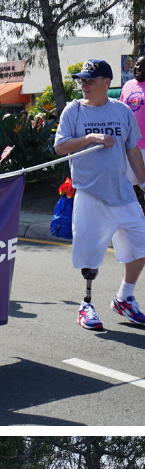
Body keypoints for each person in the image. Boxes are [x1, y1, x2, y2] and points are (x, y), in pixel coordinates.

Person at [55, 59, 145, 332]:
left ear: (107, 82)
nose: (84, 85)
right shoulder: (73, 111)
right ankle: (86, 304)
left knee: (141, 247)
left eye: (90, 80)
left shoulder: (122, 111)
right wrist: (90, 137)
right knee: (90, 255)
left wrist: (143, 183)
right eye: (82, 80)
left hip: (123, 193)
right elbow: (60, 147)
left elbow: (132, 151)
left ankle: (124, 297)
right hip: (90, 192)